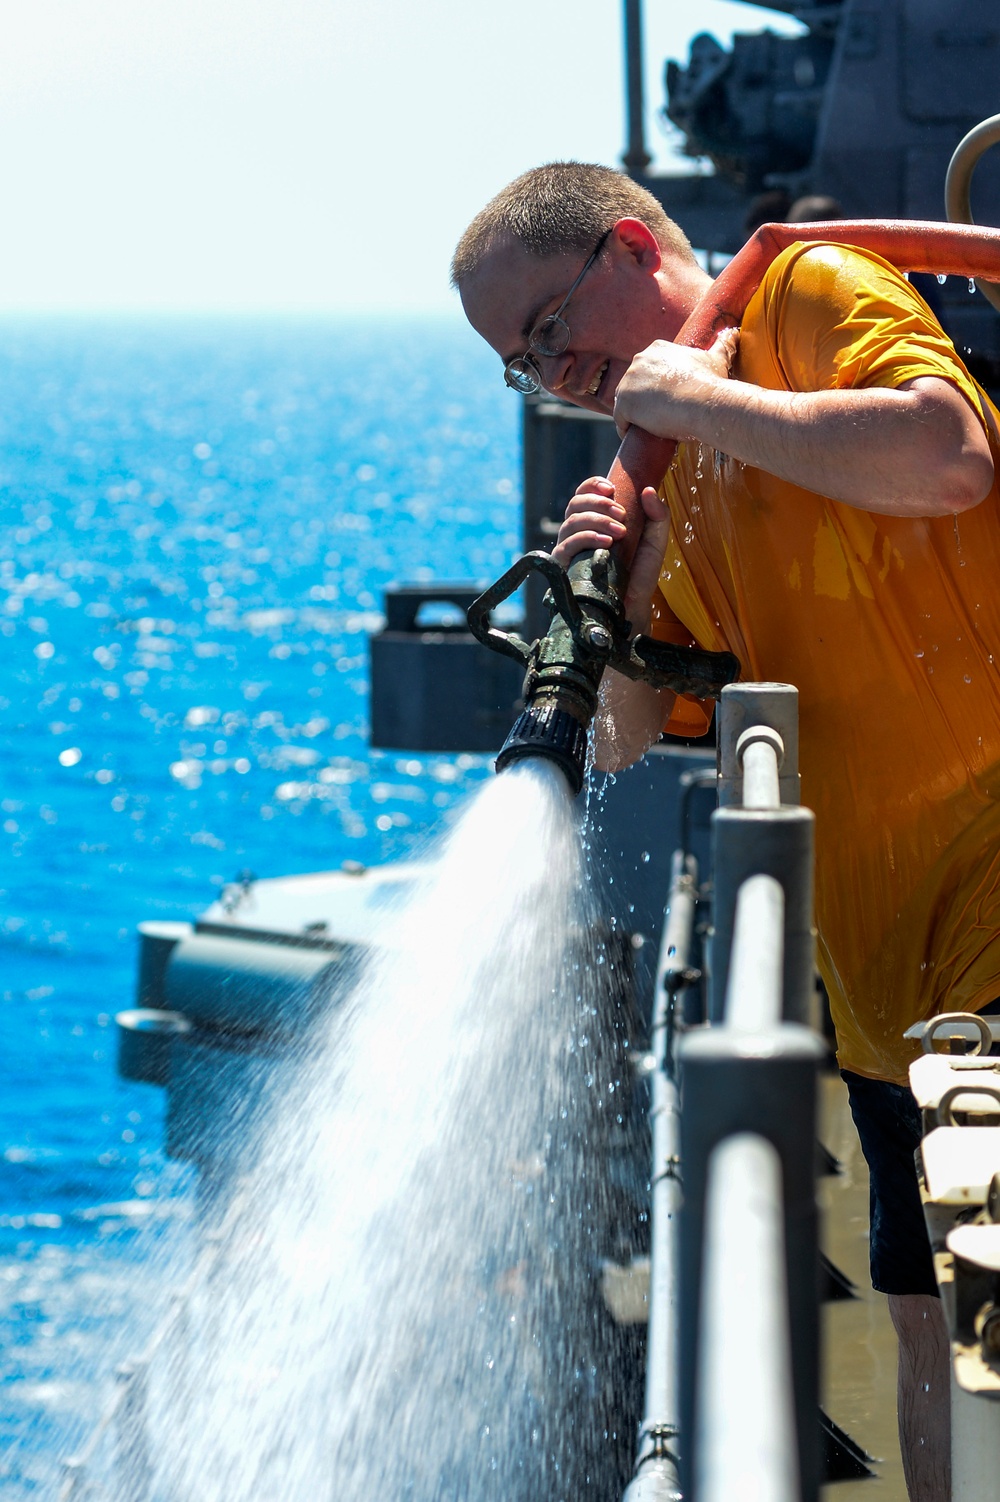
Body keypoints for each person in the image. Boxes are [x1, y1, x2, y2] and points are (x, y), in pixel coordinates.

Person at [452, 160, 1000, 1502]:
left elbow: (949, 457)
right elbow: (637, 730)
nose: (551, 370)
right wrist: (624, 572)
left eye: (546, 328)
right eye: (521, 364)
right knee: (925, 1330)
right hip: (882, 996)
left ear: (634, 250)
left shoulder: (804, 297)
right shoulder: (686, 471)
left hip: (989, 922)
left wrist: (694, 400)